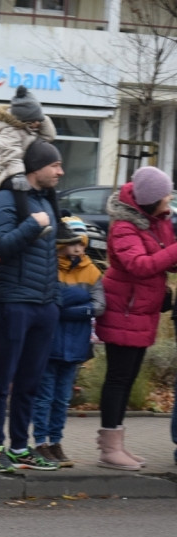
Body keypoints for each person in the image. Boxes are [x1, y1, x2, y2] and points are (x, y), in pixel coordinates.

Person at [0, 139, 63, 473]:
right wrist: (33, 225)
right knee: (3, 379)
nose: (60, 172)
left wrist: (55, 299)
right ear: (36, 168)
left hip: (44, 305)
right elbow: (0, 246)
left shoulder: (45, 200)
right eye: (55, 165)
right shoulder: (4, 200)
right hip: (12, 302)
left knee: (30, 381)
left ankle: (19, 447)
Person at [95, 166, 177, 470]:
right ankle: (109, 449)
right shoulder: (124, 226)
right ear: (151, 199)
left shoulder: (157, 220)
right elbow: (139, 265)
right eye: (165, 196)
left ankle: (117, 443)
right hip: (124, 310)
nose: (169, 200)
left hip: (142, 311)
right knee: (118, 378)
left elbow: (166, 257)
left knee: (128, 378)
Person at [31, 216, 105, 468]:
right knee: (44, 397)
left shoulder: (92, 271)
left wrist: (68, 307)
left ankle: (56, 442)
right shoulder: (49, 267)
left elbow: (99, 306)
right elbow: (51, 301)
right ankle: (40, 442)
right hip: (49, 344)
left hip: (75, 346)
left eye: (81, 243)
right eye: (73, 243)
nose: (78, 248)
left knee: (62, 399)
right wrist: (81, 300)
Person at [0, 85, 58, 223]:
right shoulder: (8, 131)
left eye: (39, 120)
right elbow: (12, 155)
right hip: (2, 174)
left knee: (50, 188)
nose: (38, 124)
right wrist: (18, 175)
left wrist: (41, 117)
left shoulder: (28, 129)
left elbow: (49, 137)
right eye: (35, 121)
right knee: (20, 186)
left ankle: (59, 222)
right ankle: (26, 220)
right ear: (26, 120)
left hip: (18, 171)